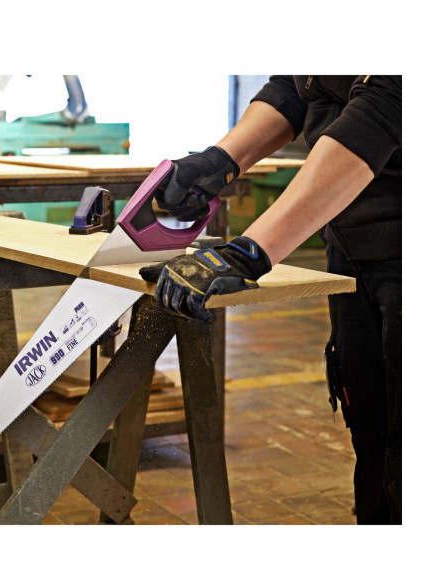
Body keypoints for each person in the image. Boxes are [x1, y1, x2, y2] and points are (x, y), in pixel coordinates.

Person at [139, 75, 402, 525]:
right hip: (352, 243)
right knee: (372, 435)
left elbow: (384, 108)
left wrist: (251, 251)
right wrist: (220, 160)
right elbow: (296, 88)